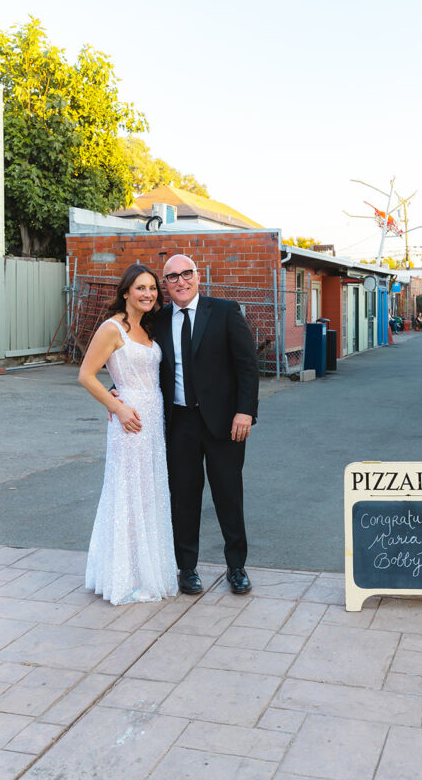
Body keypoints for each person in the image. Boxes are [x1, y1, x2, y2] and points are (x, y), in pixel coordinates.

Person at [155, 254, 259, 596]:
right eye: (172, 277)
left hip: (225, 424)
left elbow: (247, 365)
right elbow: (144, 362)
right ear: (165, 284)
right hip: (179, 422)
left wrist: (245, 411)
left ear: (198, 276)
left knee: (229, 496)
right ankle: (187, 568)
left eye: (187, 274)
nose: (181, 281)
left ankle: (237, 567)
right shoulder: (157, 321)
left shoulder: (225, 311)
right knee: (183, 498)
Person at [78, 264, 178, 605]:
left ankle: (146, 568)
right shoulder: (112, 328)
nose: (148, 293)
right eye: (140, 288)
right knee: (128, 493)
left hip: (153, 419)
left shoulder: (148, 327)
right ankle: (125, 575)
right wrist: (117, 406)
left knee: (149, 492)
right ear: (125, 292)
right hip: (129, 420)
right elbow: (86, 375)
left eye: (152, 288)